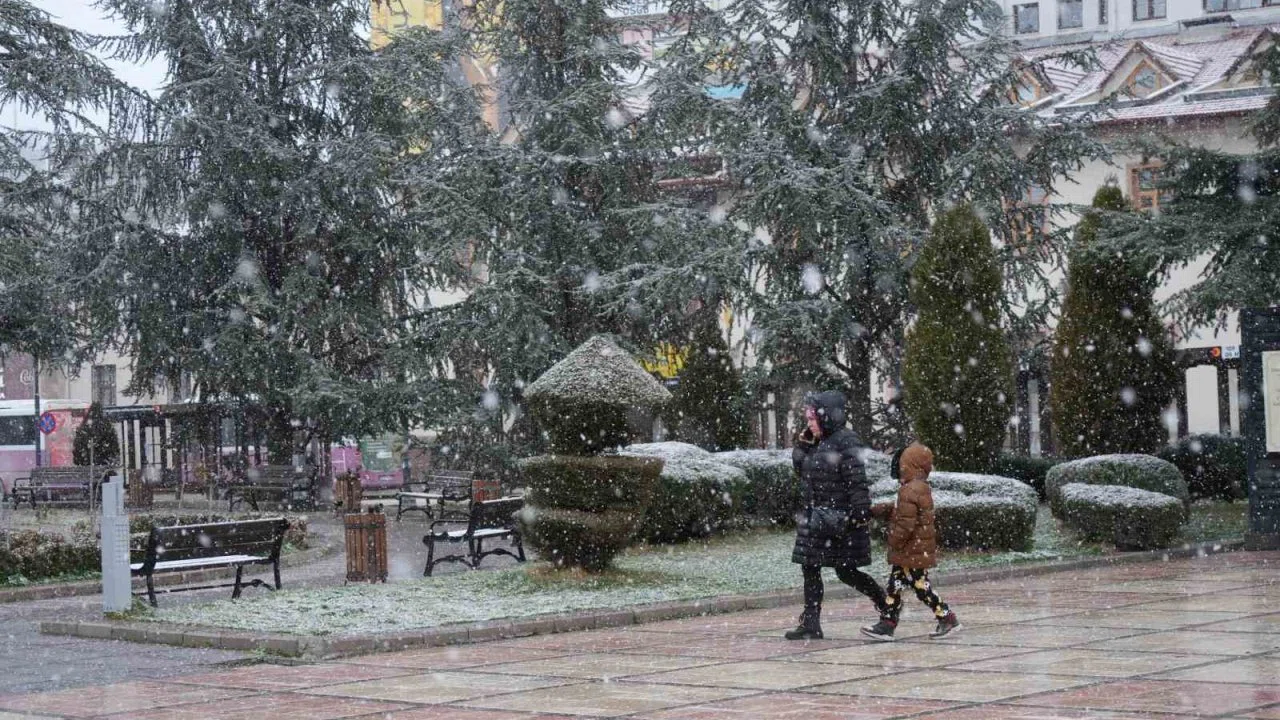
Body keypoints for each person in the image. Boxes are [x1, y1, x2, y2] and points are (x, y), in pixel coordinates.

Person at [785, 391, 889, 640]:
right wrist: (802, 446)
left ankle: (886, 603)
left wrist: (859, 512)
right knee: (810, 567)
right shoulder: (816, 441)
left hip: (839, 520)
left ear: (827, 416)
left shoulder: (846, 441)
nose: (809, 423)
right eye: (808, 418)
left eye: (812, 418)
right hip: (815, 518)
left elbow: (856, 480)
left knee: (846, 571)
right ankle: (811, 623)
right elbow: (802, 471)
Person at [862, 442, 961, 641]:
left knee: (920, 587)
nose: (900, 469)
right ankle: (888, 623)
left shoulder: (909, 490)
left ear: (910, 466)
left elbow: (906, 524)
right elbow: (904, 511)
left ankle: (946, 617)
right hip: (914, 549)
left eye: (902, 465)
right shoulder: (919, 487)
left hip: (910, 550)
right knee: (896, 586)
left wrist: (893, 540)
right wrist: (881, 510)